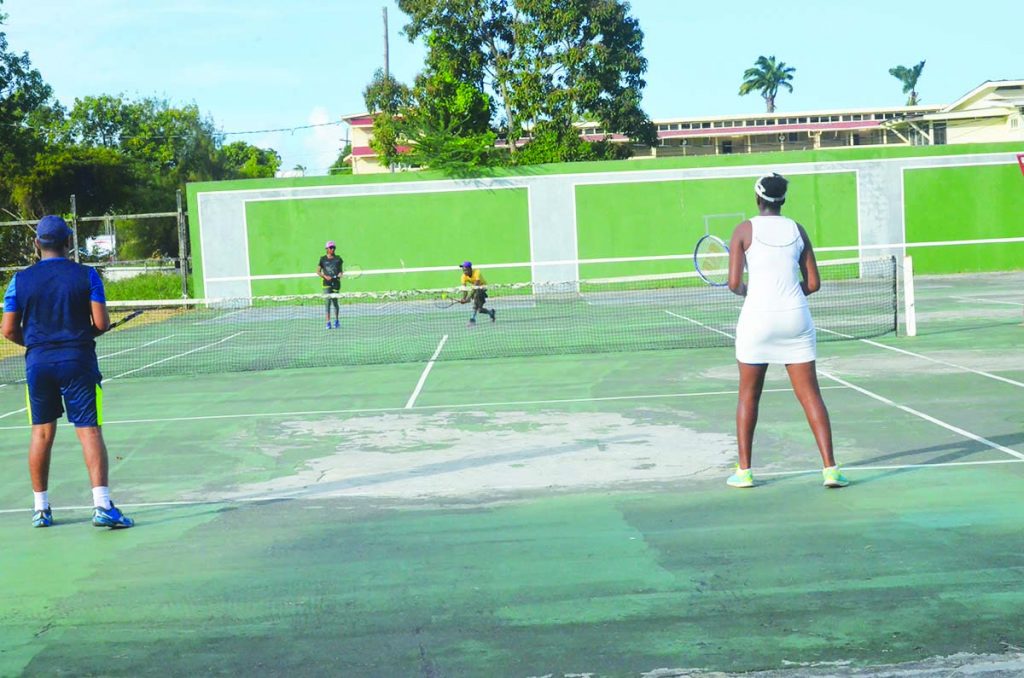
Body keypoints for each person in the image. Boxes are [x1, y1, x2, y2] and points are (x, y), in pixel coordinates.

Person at [1, 215, 135, 528]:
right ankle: (102, 506)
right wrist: (80, 335)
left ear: (37, 244)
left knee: (41, 433)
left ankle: (41, 510)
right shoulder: (87, 276)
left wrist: (35, 343)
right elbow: (100, 324)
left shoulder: (18, 281)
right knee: (89, 430)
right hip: (79, 362)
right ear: (69, 243)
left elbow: (7, 330)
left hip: (39, 365)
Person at [725, 174, 849, 489]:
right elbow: (813, 284)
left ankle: (744, 472)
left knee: (748, 396)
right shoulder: (798, 230)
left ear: (757, 199)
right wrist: (787, 296)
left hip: (758, 321)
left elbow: (734, 284)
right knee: (811, 396)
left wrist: (747, 292)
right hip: (796, 319)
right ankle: (831, 469)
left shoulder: (743, 230)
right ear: (782, 200)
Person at [318, 240, 343, 329]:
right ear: (327, 249)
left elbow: (340, 271)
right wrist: (325, 276)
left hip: (336, 284)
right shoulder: (322, 259)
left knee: (335, 303)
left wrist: (340, 274)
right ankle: (328, 322)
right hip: (326, 284)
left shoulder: (338, 259)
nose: (332, 249)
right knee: (327, 303)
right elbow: (318, 271)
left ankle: (336, 321)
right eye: (331, 248)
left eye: (334, 247)